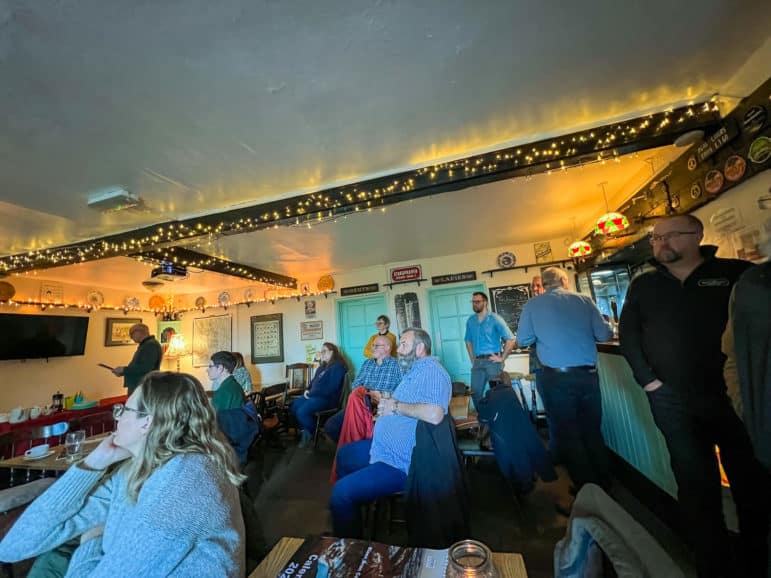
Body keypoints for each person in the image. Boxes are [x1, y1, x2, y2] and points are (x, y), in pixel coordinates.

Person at [619, 214, 770, 578]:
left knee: (750, 482)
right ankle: (712, 566)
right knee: (694, 485)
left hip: (733, 397)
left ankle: (757, 561)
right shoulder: (644, 285)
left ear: (698, 235)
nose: (662, 244)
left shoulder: (738, 274)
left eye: (671, 236)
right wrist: (649, 382)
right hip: (672, 401)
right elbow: (629, 335)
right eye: (656, 238)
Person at [0, 371, 246, 577]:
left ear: (146, 422)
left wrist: (92, 541)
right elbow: (12, 547)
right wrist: (92, 464)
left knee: (52, 562)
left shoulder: (188, 480)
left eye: (124, 410)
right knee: (50, 559)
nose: (116, 417)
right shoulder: (134, 470)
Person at [329, 328, 451, 538]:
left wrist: (394, 407)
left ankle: (350, 548)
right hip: (383, 449)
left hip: (399, 462)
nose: (399, 350)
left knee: (340, 493)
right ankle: (354, 514)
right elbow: (405, 402)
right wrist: (387, 406)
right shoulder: (414, 372)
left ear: (420, 348)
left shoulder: (432, 371)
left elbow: (435, 414)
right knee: (345, 455)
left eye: (404, 344)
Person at [516, 267, 612, 490]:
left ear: (545, 283)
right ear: (564, 280)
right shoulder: (584, 300)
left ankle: (586, 490)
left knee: (569, 434)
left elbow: (523, 340)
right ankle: (605, 485)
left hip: (556, 379)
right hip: (588, 376)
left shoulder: (532, 305)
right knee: (592, 431)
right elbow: (604, 334)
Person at [324, 335, 403, 443]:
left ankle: (364, 450)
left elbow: (403, 391)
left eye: (376, 345)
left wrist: (381, 395)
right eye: (372, 345)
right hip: (360, 404)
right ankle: (353, 449)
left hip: (382, 407)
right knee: (331, 426)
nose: (372, 348)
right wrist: (369, 392)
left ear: (387, 348)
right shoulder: (367, 363)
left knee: (376, 431)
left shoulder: (398, 365)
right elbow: (355, 385)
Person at [290, 343, 347, 448]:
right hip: (314, 396)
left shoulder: (338, 367)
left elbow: (331, 388)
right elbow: (312, 383)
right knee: (294, 405)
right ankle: (307, 430)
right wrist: (307, 390)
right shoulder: (322, 367)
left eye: (324, 351)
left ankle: (310, 432)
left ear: (332, 352)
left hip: (328, 399)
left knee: (301, 412)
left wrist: (311, 393)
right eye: (322, 352)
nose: (322, 354)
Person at [464, 292, 516, 404]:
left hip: (492, 362)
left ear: (485, 302)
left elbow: (511, 339)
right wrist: (472, 358)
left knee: (497, 393)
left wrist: (502, 358)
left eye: (477, 301)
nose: (475, 304)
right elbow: (468, 340)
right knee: (475, 393)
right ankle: (484, 419)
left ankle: (498, 420)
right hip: (477, 362)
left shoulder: (495, 319)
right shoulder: (470, 321)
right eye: (473, 302)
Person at [111, 324, 162, 395]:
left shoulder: (150, 345)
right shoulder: (146, 344)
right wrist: (122, 372)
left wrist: (124, 369)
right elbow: (139, 366)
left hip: (143, 387)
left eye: (131, 334)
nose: (131, 337)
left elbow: (145, 367)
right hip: (140, 386)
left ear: (138, 332)